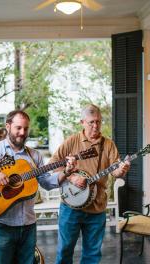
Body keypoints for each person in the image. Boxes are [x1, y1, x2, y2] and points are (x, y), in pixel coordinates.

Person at [0, 110, 76, 264]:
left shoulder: (34, 156)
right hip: (2, 225)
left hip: (28, 226)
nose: (22, 132)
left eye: (25, 129)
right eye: (18, 128)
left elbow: (46, 183)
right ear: (8, 126)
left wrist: (66, 172)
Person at [52, 104, 130, 264]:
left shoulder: (108, 144)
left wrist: (122, 169)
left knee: (92, 255)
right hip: (70, 207)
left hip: (97, 206)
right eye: (91, 122)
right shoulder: (72, 141)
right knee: (64, 251)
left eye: (99, 122)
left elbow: (115, 171)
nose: (96, 126)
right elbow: (53, 165)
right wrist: (71, 177)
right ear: (82, 122)